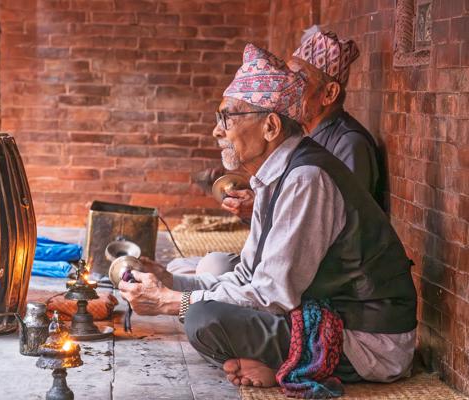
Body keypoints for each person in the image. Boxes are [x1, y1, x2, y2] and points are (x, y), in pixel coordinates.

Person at [119, 44, 417, 388]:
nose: (218, 130)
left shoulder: (306, 179)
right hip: (320, 315)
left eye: (227, 117)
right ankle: (274, 361)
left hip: (367, 339)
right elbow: (248, 275)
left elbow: (271, 296)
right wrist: (172, 284)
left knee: (203, 319)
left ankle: (288, 365)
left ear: (271, 126)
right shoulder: (273, 175)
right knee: (205, 297)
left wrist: (172, 302)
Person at [168, 30, 383, 277]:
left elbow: (332, 233)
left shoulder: (348, 144)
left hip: (329, 275)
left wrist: (184, 300)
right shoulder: (302, 140)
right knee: (185, 269)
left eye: (300, 80)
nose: (289, 87)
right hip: (289, 263)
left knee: (210, 273)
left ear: (329, 94)